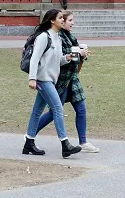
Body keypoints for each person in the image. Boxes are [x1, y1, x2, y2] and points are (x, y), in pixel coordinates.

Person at [22, 8, 83, 158]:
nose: (63, 20)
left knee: (37, 111)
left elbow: (58, 60)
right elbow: (35, 58)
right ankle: (65, 144)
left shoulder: (57, 38)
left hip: (51, 79)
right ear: (52, 20)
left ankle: (29, 142)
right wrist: (32, 78)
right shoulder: (44, 36)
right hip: (43, 79)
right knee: (57, 108)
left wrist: (68, 57)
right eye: (60, 18)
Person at [36, 11, 98, 153]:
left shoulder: (71, 36)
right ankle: (31, 134)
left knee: (81, 109)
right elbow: (60, 58)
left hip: (73, 79)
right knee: (54, 112)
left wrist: (82, 56)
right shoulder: (58, 37)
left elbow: (75, 59)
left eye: (72, 20)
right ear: (62, 22)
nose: (72, 23)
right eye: (70, 20)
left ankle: (83, 142)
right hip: (61, 80)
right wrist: (77, 54)